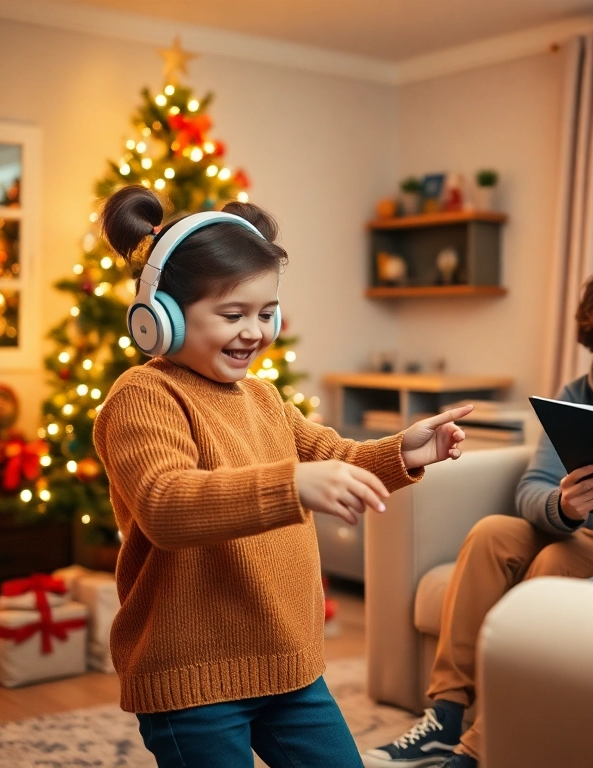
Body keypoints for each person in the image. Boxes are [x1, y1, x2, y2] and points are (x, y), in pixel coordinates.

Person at [92, 185, 471, 768]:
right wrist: (292, 484)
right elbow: (167, 504)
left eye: (266, 313)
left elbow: (331, 454)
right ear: (160, 317)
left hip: (288, 666)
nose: (255, 332)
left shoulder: (263, 399)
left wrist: (406, 452)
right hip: (191, 681)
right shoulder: (144, 397)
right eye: (233, 314)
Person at [365, 265, 593, 768]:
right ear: (592, 339)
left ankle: (478, 750)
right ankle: (445, 718)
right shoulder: (577, 397)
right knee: (492, 533)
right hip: (591, 535)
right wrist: (565, 505)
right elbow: (532, 490)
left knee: (553, 563)